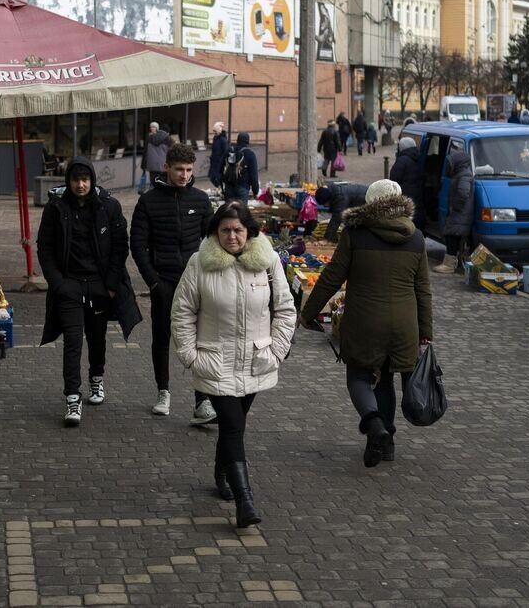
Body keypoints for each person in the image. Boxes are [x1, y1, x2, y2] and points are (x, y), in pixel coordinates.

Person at [170, 201, 296, 529]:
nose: (232, 236)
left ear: (249, 232)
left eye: (238, 230)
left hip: (257, 361)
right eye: (224, 230)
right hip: (215, 362)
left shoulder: (266, 264)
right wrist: (191, 356)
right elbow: (182, 311)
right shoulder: (200, 264)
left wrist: (277, 351)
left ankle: (221, 471)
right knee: (231, 426)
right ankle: (245, 499)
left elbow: (285, 309)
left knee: (234, 427)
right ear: (215, 232)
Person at [297, 180, 433, 467]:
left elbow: (332, 277)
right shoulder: (416, 237)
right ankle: (387, 443)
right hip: (404, 325)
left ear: (369, 204)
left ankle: (374, 426)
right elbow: (423, 290)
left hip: (365, 322)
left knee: (359, 377)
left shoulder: (355, 234)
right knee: (385, 381)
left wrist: (308, 312)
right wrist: (426, 332)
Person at [38, 157, 140, 426]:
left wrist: (110, 284)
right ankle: (73, 398)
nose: (81, 184)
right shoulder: (56, 208)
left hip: (99, 285)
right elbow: (44, 247)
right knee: (72, 341)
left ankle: (97, 378)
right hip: (69, 285)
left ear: (92, 180)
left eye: (85, 179)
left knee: (97, 337)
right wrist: (57, 282)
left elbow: (121, 245)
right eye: (76, 179)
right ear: (68, 181)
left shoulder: (108, 206)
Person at [131, 143, 216, 424]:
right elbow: (138, 244)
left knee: (200, 340)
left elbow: (211, 242)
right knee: (162, 338)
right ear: (166, 167)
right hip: (163, 281)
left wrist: (207, 274)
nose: (184, 174)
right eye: (179, 169)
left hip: (195, 281)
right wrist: (153, 281)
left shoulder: (201, 201)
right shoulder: (148, 201)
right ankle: (163, 391)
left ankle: (202, 400)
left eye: (189, 170)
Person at [436, 144, 473, 273]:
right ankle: (451, 262)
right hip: (459, 213)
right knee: (451, 234)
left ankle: (449, 265)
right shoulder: (462, 174)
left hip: (460, 213)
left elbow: (463, 193)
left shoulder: (464, 176)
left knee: (451, 235)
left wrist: (455, 206)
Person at [389, 136, 424, 231]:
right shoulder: (418, 157)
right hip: (417, 195)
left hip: (405, 196)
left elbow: (393, 180)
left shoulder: (402, 160)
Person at [222, 132, 259, 202]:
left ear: (237, 140)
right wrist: (255, 191)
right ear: (247, 141)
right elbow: (254, 175)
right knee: (241, 211)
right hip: (243, 187)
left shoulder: (229, 151)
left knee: (229, 211)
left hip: (229, 187)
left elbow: (221, 167)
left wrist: (222, 183)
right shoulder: (250, 154)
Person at [141, 122, 171, 194]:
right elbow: (170, 152)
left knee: (153, 182)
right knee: (162, 182)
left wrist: (143, 165)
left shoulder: (150, 137)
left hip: (151, 165)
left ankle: (152, 196)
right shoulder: (167, 138)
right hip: (163, 165)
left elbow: (145, 152)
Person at [209, 122, 229, 188]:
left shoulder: (223, 140)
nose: (214, 132)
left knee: (217, 177)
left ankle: (221, 189)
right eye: (213, 131)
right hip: (214, 162)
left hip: (219, 162)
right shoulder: (215, 139)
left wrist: (222, 161)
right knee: (212, 177)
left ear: (218, 130)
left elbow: (226, 151)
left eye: (215, 131)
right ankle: (220, 188)